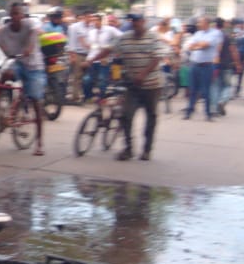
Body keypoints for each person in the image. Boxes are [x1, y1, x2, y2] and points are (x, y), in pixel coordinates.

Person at [92, 14, 168, 161]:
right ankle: (128, 148)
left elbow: (157, 57)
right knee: (126, 115)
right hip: (132, 84)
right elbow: (109, 49)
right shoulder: (125, 37)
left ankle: (147, 149)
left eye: (137, 21)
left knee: (151, 116)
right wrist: (91, 60)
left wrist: (143, 74)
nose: (134, 24)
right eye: (132, 21)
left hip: (151, 85)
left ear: (143, 22)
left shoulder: (153, 37)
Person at [0, 2, 47, 156]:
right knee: (5, 75)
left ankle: (39, 144)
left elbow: (32, 37)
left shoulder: (29, 25)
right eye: (13, 14)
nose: (15, 17)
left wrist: (28, 49)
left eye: (18, 14)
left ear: (22, 16)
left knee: (36, 101)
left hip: (34, 67)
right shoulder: (5, 29)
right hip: (19, 63)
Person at [183, 16, 224, 120]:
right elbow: (190, 46)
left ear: (206, 23)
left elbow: (206, 45)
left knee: (206, 91)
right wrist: (198, 45)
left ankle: (208, 113)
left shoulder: (215, 33)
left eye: (200, 23)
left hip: (206, 65)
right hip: (194, 64)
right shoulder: (198, 33)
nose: (198, 25)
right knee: (192, 90)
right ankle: (189, 111)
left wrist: (198, 45)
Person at [83, 14, 121, 102]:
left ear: (100, 21)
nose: (94, 22)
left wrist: (113, 48)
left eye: (96, 20)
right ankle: (88, 97)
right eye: (93, 20)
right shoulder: (91, 32)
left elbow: (121, 37)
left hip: (104, 59)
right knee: (87, 80)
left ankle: (101, 98)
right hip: (92, 59)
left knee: (102, 80)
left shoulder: (110, 30)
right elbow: (90, 45)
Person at [210, 18, 243, 116]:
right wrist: (238, 64)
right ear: (223, 25)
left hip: (215, 65)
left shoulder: (211, 36)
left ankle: (214, 109)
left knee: (215, 87)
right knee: (227, 86)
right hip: (226, 65)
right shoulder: (228, 36)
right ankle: (222, 100)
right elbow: (233, 51)